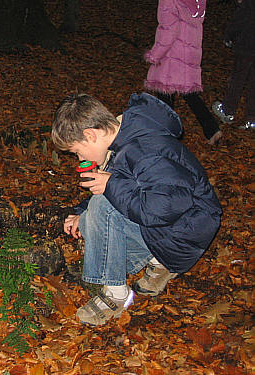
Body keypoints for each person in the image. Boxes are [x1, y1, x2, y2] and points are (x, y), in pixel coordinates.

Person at [51, 92, 221, 326]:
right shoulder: (122, 139)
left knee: (101, 207)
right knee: (94, 213)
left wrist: (109, 186)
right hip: (173, 227)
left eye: (76, 152)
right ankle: (158, 262)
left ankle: (116, 293)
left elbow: (162, 208)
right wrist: (82, 212)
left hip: (183, 234)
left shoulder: (146, 149)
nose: (78, 158)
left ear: (90, 135)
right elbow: (125, 187)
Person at [144, 0, 222, 145]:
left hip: (172, 54)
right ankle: (212, 130)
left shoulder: (169, 1)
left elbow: (168, 31)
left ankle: (166, 137)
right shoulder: (196, 2)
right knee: (189, 94)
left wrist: (155, 55)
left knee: (165, 98)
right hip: (189, 52)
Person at [211, 0, 254, 130]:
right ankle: (252, 118)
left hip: (246, 46)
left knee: (237, 79)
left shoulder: (248, 4)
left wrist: (229, 37)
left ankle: (228, 111)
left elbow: (238, 22)